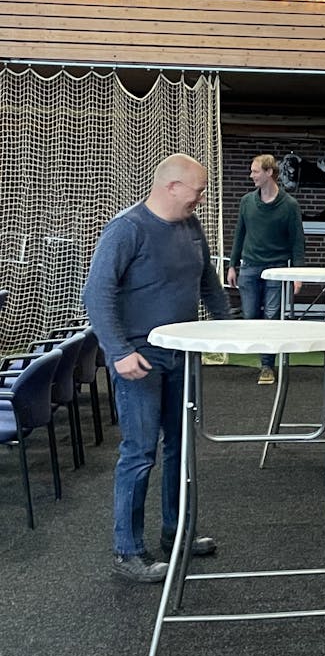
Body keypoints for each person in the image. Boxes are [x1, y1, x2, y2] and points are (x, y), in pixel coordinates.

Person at [83, 153, 232, 583]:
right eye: (197, 191)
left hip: (181, 353)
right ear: (171, 187)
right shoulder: (127, 229)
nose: (200, 198)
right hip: (140, 358)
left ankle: (176, 532)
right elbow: (97, 293)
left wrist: (227, 329)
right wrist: (118, 351)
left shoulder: (191, 227)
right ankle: (127, 551)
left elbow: (208, 283)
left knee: (180, 447)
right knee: (140, 452)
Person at [226, 154, 305, 384]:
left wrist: (298, 274)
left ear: (269, 172)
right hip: (249, 266)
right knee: (251, 316)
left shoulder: (289, 205)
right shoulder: (247, 202)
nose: (251, 175)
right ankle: (263, 358)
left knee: (271, 318)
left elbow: (297, 241)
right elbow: (239, 234)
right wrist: (232, 265)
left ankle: (267, 366)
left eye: (255, 171)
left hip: (277, 269)